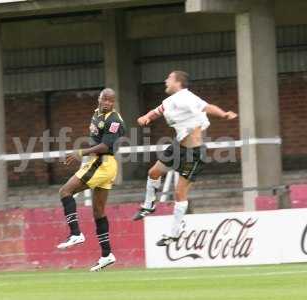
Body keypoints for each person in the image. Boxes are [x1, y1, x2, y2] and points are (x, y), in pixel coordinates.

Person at [132, 70, 238, 246]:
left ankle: (174, 233)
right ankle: (149, 205)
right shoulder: (171, 100)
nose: (166, 80)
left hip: (193, 153)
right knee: (154, 172)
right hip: (178, 146)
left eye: (169, 78)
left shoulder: (188, 98)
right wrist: (147, 117)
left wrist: (224, 114)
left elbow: (207, 107)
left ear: (178, 82)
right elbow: (158, 110)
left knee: (179, 193)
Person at [57, 88, 125, 271]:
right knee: (98, 211)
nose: (107, 103)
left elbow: (105, 146)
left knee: (65, 191)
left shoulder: (114, 120)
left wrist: (81, 152)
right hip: (101, 164)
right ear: (99, 99)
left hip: (102, 163)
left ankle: (75, 233)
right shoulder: (96, 114)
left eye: (111, 101)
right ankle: (106, 255)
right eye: (105, 99)